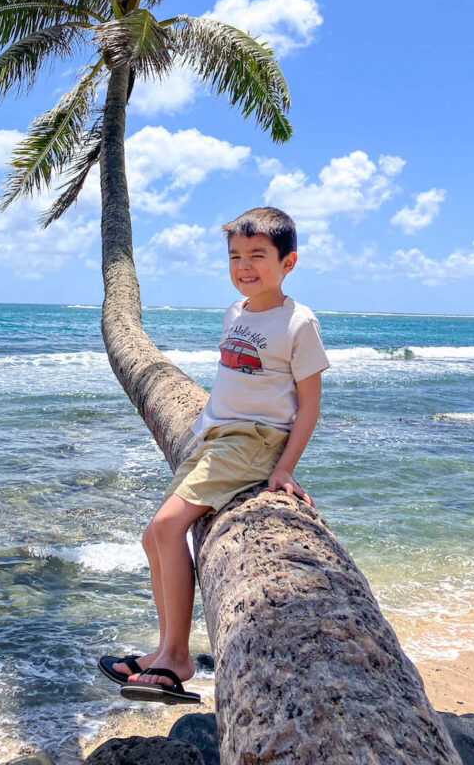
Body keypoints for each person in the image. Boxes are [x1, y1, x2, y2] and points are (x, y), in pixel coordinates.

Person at [98, 207, 330, 705]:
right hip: (214, 436)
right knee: (150, 538)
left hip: (253, 441)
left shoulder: (298, 322)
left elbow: (309, 405)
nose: (244, 266)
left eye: (257, 257)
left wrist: (284, 466)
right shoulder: (236, 311)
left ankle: (177, 658)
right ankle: (164, 646)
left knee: (166, 528)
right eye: (235, 257)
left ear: (288, 262)